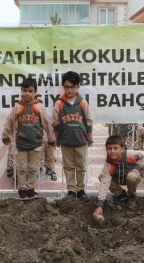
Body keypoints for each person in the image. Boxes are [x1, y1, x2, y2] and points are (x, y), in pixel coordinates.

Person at [2, 78, 55, 200]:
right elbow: (9, 122)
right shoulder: (18, 107)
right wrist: (5, 135)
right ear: (21, 91)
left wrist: (51, 138)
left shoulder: (39, 107)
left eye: (30, 91)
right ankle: (21, 190)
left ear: (35, 92)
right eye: (24, 90)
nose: (27, 93)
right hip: (21, 144)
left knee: (33, 168)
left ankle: (31, 189)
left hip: (36, 143)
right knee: (21, 168)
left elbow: (47, 123)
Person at [52, 71, 93, 199]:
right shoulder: (59, 103)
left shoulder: (83, 103)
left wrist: (89, 136)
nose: (69, 90)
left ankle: (80, 189)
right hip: (66, 140)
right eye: (66, 87)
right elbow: (55, 122)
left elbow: (89, 120)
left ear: (77, 87)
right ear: (63, 87)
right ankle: (71, 190)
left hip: (81, 140)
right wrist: (57, 138)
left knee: (81, 166)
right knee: (68, 166)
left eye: (72, 87)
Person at [93, 135, 144, 220]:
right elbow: (105, 185)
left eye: (115, 148)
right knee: (103, 177)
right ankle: (121, 195)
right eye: (109, 148)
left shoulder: (130, 155)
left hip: (132, 177)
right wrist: (99, 205)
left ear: (122, 149)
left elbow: (142, 155)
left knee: (131, 177)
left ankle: (132, 196)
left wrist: (137, 168)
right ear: (106, 150)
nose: (112, 151)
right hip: (118, 178)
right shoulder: (108, 165)